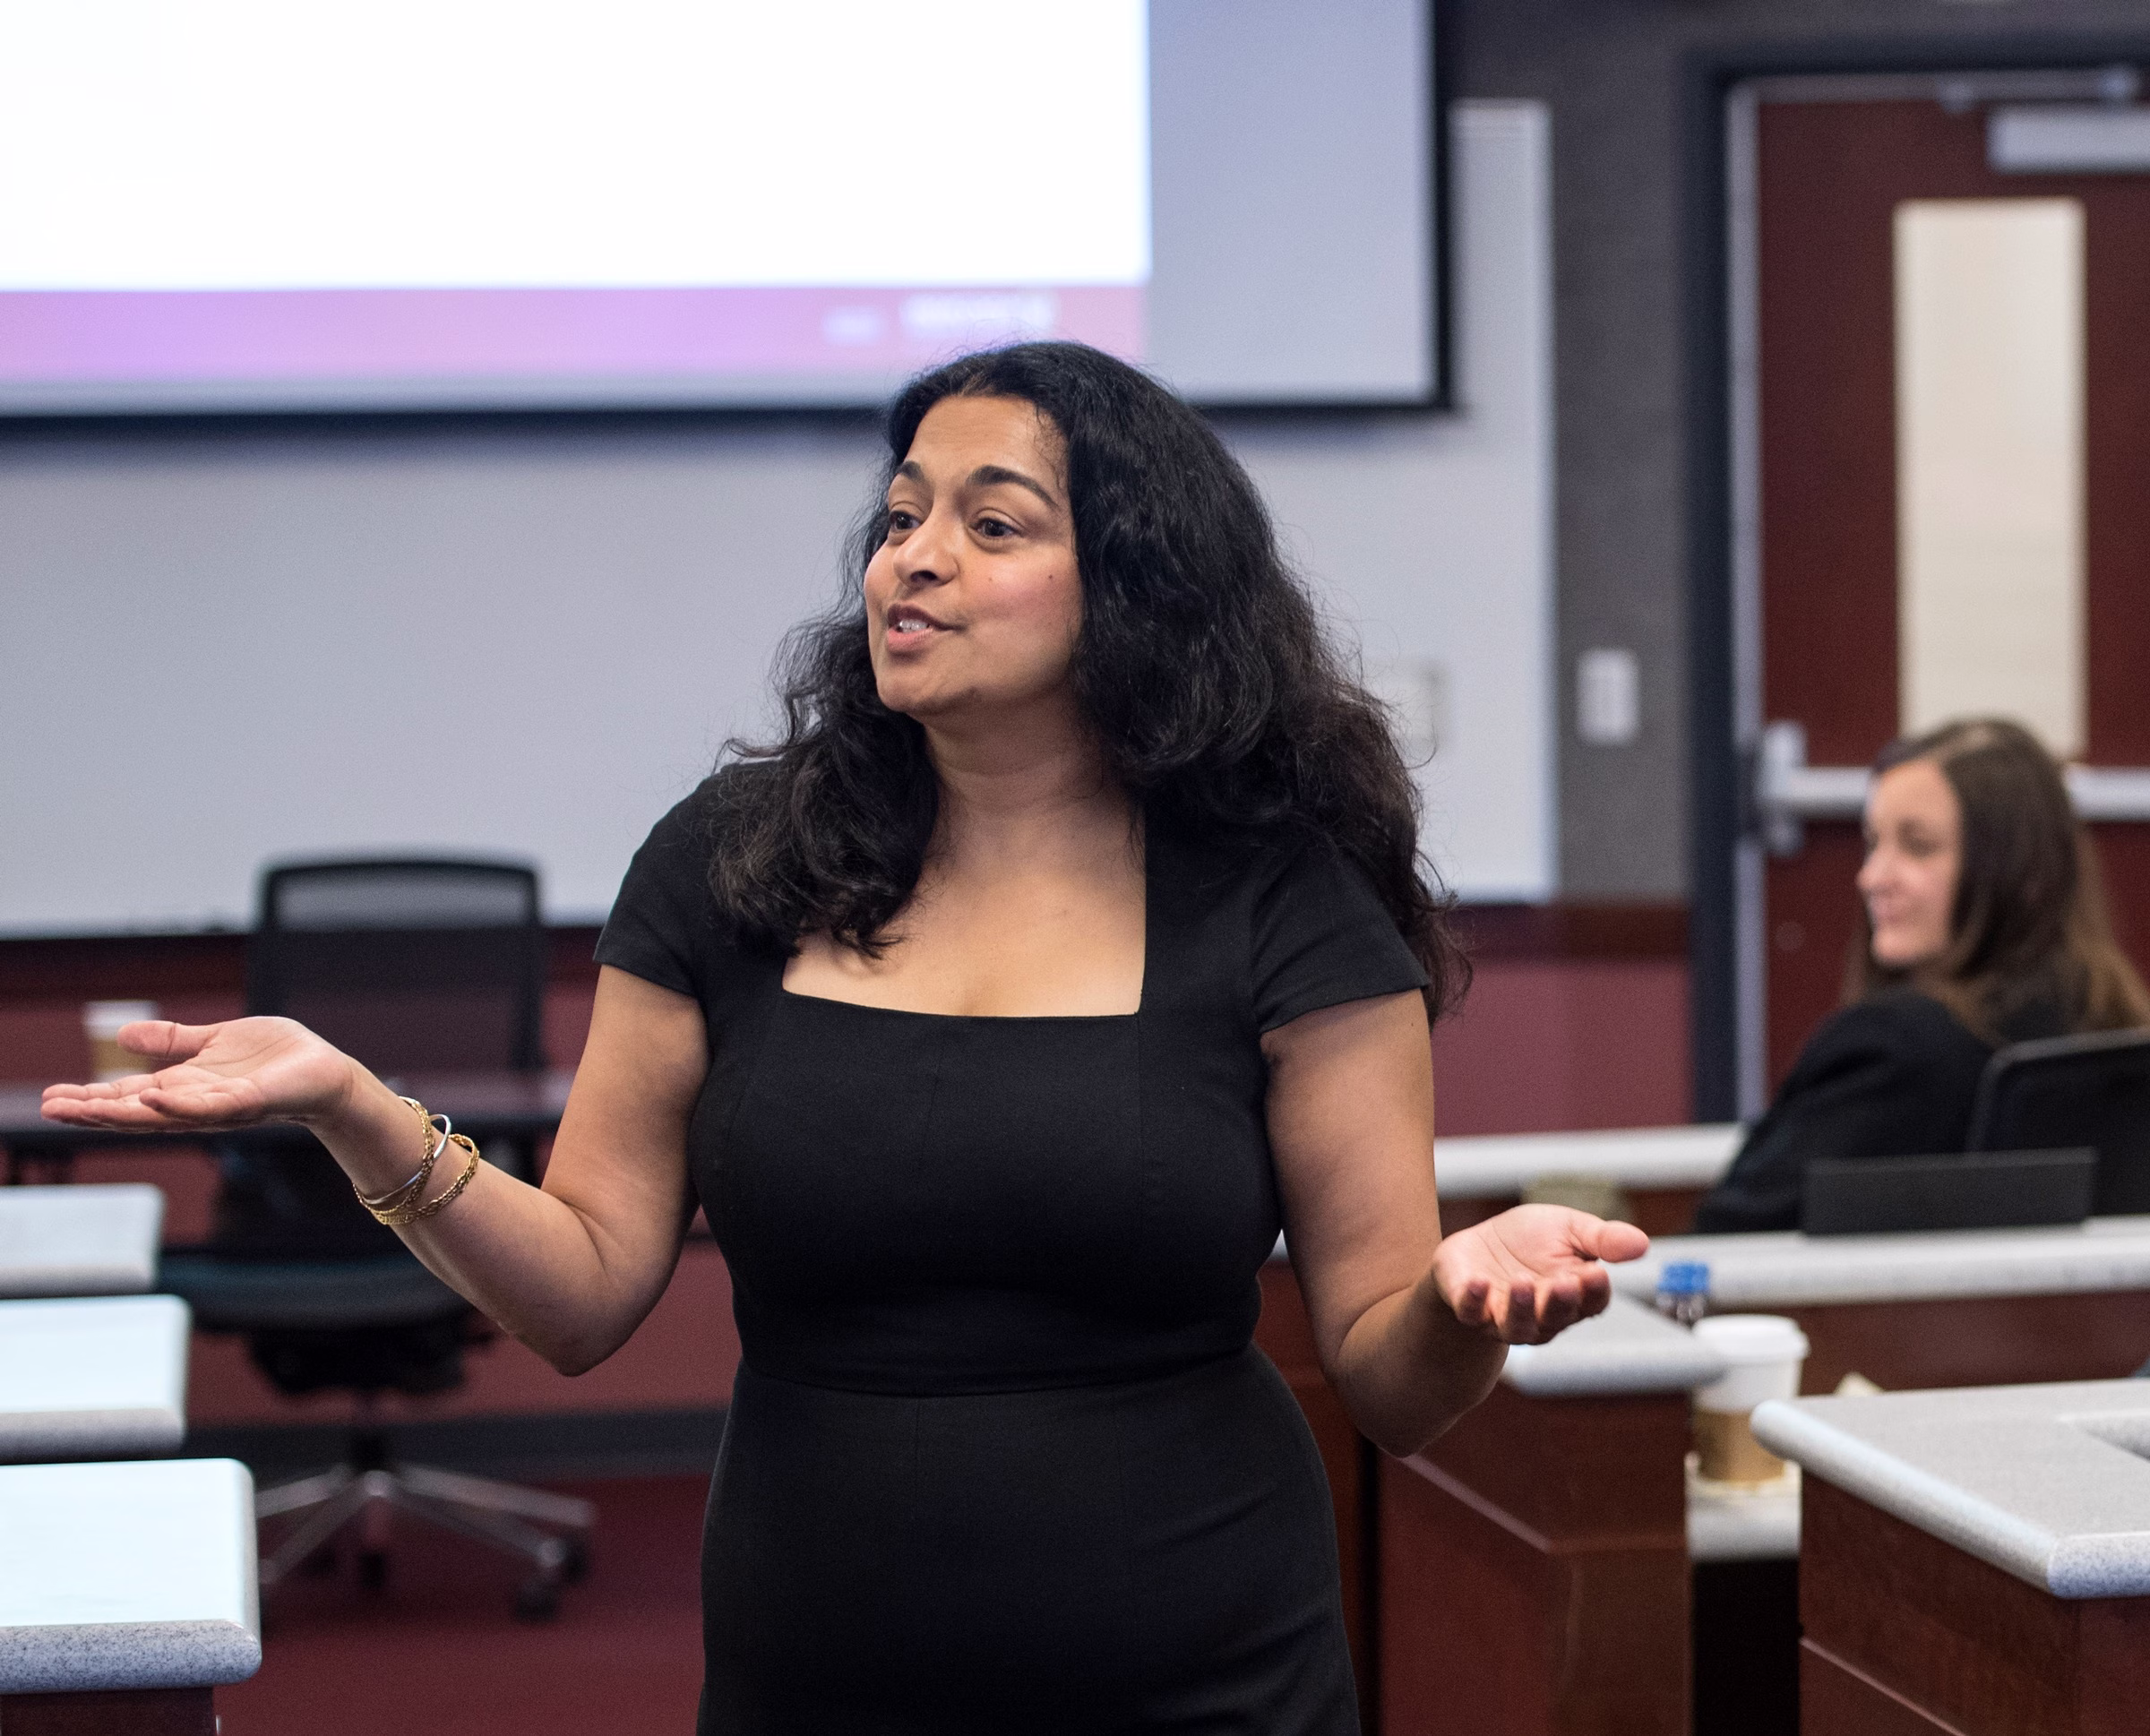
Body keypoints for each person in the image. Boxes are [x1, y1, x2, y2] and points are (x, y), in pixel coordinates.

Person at [47, 341, 1647, 1734]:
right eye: (897, 517)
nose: (910, 559)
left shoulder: (1274, 894)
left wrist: (1459, 1296)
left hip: (1199, 1665)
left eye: (989, 522)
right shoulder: (739, 863)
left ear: (1141, 593)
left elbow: (1392, 1375)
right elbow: (590, 1286)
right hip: (815, 1654)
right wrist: (354, 1105)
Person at [1697, 718, 2150, 1233]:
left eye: (1917, 846)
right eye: (1873, 843)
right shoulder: (2115, 1034)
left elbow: (1723, 1240)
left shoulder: (1892, 1052)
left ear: (2019, 871)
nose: (1872, 878)